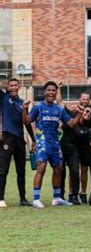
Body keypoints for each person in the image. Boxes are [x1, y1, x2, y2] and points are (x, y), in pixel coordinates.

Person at [22, 81, 83, 209]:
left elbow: (71, 124)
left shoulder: (59, 109)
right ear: (44, 92)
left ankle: (56, 198)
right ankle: (36, 199)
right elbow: (27, 120)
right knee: (41, 168)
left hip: (55, 144)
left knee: (59, 169)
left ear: (56, 93)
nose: (51, 92)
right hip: (42, 143)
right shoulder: (38, 107)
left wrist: (79, 113)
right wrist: (24, 109)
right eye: (48, 90)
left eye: (53, 90)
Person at [0, 78, 35, 208]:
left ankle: (23, 198)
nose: (14, 87)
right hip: (7, 138)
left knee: (21, 171)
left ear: (19, 86)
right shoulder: (3, 98)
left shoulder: (22, 103)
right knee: (3, 170)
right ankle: (0, 198)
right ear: (8, 87)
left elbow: (27, 123)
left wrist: (34, 139)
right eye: (11, 85)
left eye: (16, 85)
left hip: (20, 140)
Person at [59, 106, 91, 205]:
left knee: (75, 171)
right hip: (62, 148)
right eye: (87, 111)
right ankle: (60, 195)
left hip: (73, 151)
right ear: (82, 112)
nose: (88, 114)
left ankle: (74, 196)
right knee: (61, 172)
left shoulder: (86, 129)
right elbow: (60, 103)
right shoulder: (71, 117)